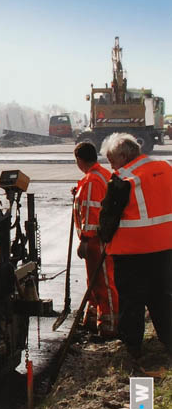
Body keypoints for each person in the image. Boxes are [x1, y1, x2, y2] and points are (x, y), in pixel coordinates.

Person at [99, 133, 172, 358]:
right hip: (166, 248)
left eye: (111, 160)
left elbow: (108, 219)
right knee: (163, 298)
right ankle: (169, 341)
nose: (111, 166)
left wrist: (103, 238)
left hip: (132, 252)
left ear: (123, 156)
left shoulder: (122, 179)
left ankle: (133, 349)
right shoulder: (166, 167)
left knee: (132, 302)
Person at [73, 141, 118, 338]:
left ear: (79, 160)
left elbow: (91, 213)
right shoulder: (101, 175)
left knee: (103, 282)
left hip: (96, 241)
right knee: (95, 281)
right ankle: (93, 320)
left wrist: (85, 240)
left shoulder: (92, 180)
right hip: (103, 239)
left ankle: (110, 326)